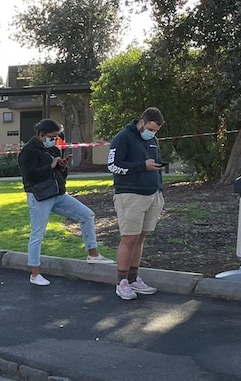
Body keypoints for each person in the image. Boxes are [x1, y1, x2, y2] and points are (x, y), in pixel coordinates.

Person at [18, 119, 115, 287]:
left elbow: (60, 177)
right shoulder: (28, 152)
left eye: (56, 137)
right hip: (39, 197)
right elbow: (29, 176)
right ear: (41, 135)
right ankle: (35, 274)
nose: (55, 140)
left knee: (87, 215)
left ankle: (93, 254)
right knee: (37, 234)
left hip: (58, 194)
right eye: (52, 137)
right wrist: (50, 165)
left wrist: (62, 167)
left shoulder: (54, 149)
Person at [107, 107, 166, 300]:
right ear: (141, 122)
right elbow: (113, 165)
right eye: (150, 128)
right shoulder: (123, 137)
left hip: (152, 194)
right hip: (130, 195)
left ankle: (133, 278)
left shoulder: (153, 141)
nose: (152, 133)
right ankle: (121, 281)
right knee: (129, 238)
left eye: (156, 130)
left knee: (140, 238)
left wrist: (159, 188)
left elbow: (154, 164)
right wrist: (141, 166)